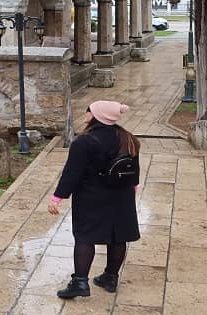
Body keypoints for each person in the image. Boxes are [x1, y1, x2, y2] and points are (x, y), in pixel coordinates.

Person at [48, 100, 141, 299]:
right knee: (118, 236)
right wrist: (133, 187)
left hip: (92, 197)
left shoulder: (84, 142)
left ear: (98, 115)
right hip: (122, 196)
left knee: (85, 237)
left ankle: (80, 282)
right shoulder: (128, 138)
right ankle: (110, 277)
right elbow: (133, 170)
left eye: (89, 111)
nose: (86, 114)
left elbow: (72, 173)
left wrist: (57, 198)